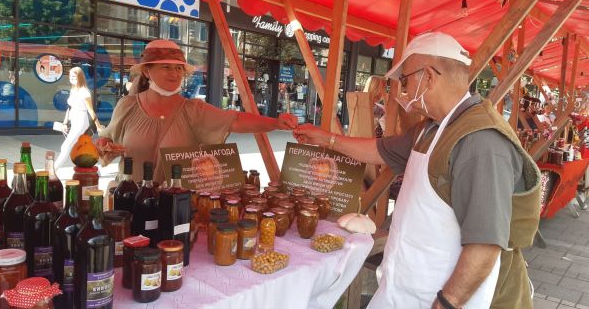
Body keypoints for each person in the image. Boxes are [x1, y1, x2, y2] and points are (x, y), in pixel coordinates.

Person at [293, 32, 541, 309]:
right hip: (408, 288)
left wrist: (447, 303)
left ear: (430, 77)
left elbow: (485, 244)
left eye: (406, 80)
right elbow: (380, 150)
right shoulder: (432, 127)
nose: (404, 91)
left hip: (451, 299)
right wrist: (327, 139)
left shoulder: (479, 142)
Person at [97, 40, 297, 183]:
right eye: (166, 67)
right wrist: (104, 146)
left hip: (173, 205)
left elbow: (235, 120)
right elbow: (107, 144)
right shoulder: (127, 106)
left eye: (178, 69)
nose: (174, 74)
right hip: (129, 202)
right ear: (147, 72)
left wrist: (274, 123)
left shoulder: (193, 109)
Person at [55, 67, 104, 170]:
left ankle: (53, 170)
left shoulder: (84, 92)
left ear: (80, 77)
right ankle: (92, 168)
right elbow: (70, 107)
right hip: (74, 121)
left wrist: (98, 126)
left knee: (66, 146)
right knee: (81, 147)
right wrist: (64, 123)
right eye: (70, 76)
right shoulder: (74, 89)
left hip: (81, 121)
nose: (71, 78)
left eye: (74, 76)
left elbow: (91, 110)